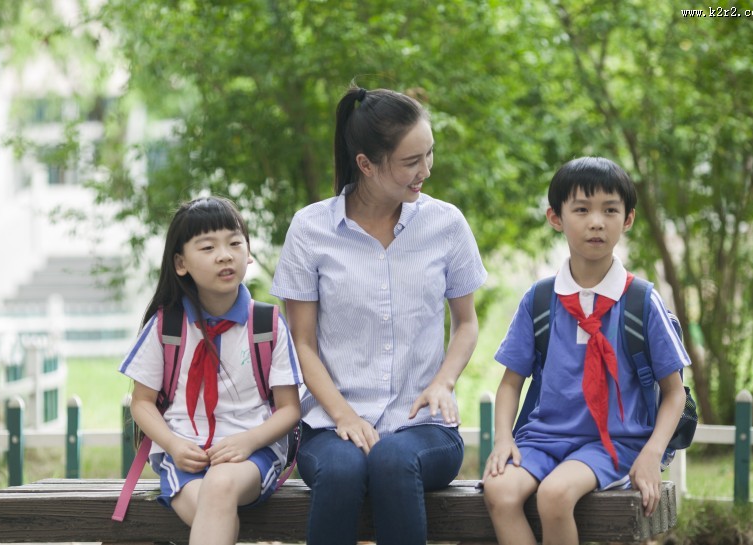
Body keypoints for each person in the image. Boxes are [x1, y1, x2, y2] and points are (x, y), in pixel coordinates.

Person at [270, 85, 487, 545]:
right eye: (411, 162)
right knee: (345, 469)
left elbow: (466, 323)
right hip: (331, 425)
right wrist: (344, 416)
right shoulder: (311, 229)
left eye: (429, 154)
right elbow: (301, 342)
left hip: (424, 429)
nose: (426, 170)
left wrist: (442, 383)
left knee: (391, 459)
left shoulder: (446, 224)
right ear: (365, 164)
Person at [481, 157, 689, 545]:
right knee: (499, 491)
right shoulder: (541, 299)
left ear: (627, 219)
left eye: (610, 210)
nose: (596, 221)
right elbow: (510, 383)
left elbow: (674, 393)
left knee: (555, 495)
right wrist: (503, 439)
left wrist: (651, 454)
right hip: (542, 438)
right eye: (581, 209)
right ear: (556, 218)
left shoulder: (641, 300)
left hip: (614, 442)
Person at [118, 196, 302, 545]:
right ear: (181, 263)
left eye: (235, 243)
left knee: (218, 486)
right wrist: (172, 444)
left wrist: (248, 441)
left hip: (253, 456)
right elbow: (141, 402)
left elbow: (290, 408)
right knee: (215, 512)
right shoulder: (167, 326)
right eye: (208, 246)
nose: (224, 254)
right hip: (184, 457)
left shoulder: (267, 324)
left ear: (248, 253)